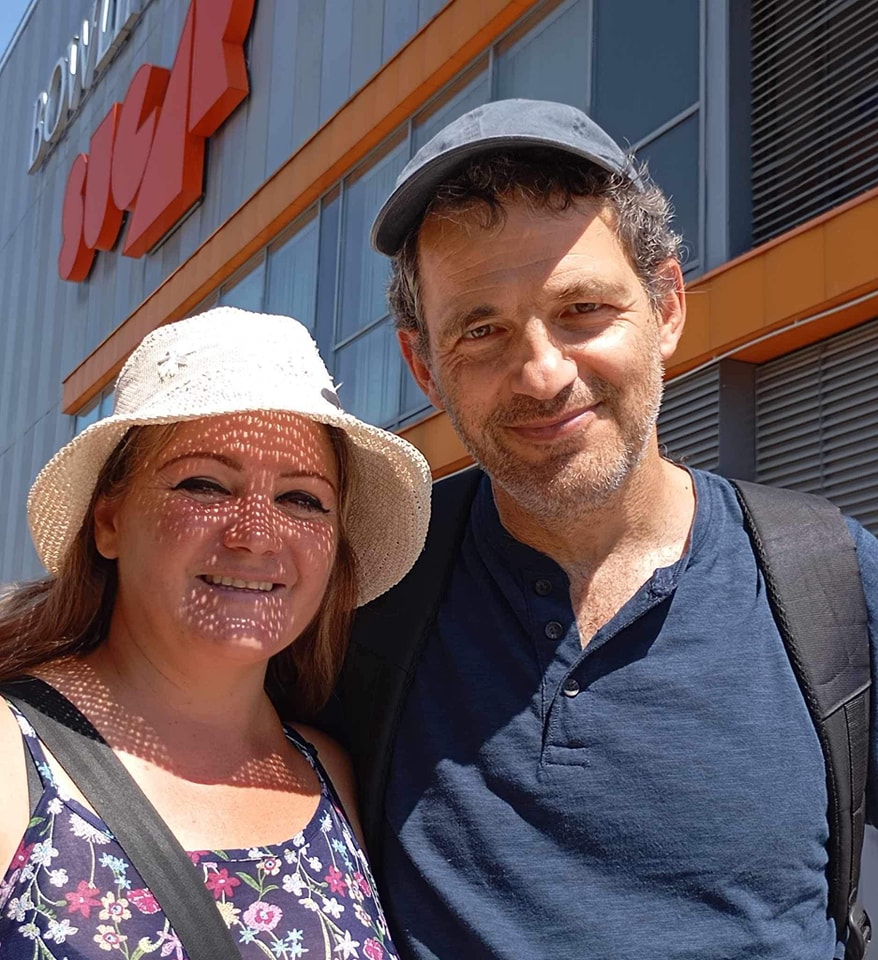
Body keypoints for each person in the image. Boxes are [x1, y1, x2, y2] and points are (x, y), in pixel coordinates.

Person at [334, 99, 878, 959]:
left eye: (583, 308)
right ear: (423, 366)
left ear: (668, 307)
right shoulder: (368, 586)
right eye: (482, 329)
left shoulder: (833, 581)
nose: (543, 374)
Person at [0, 307, 431, 960]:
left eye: (301, 499)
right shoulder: (11, 758)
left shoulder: (330, 774)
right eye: (204, 484)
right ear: (109, 521)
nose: (256, 536)